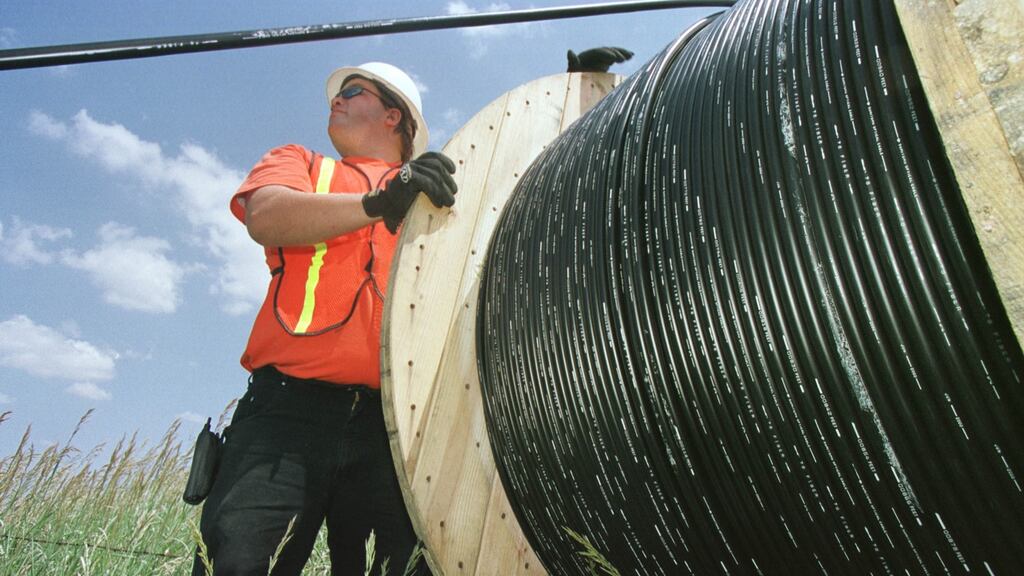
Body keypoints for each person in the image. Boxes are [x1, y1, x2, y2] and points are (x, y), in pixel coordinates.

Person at [193, 62, 455, 576]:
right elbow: (265, 215)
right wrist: (379, 201)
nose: (334, 99)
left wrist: (575, 109)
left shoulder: (440, 195)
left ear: (393, 116)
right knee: (241, 562)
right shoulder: (301, 164)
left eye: (352, 92)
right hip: (286, 416)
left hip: (399, 427)